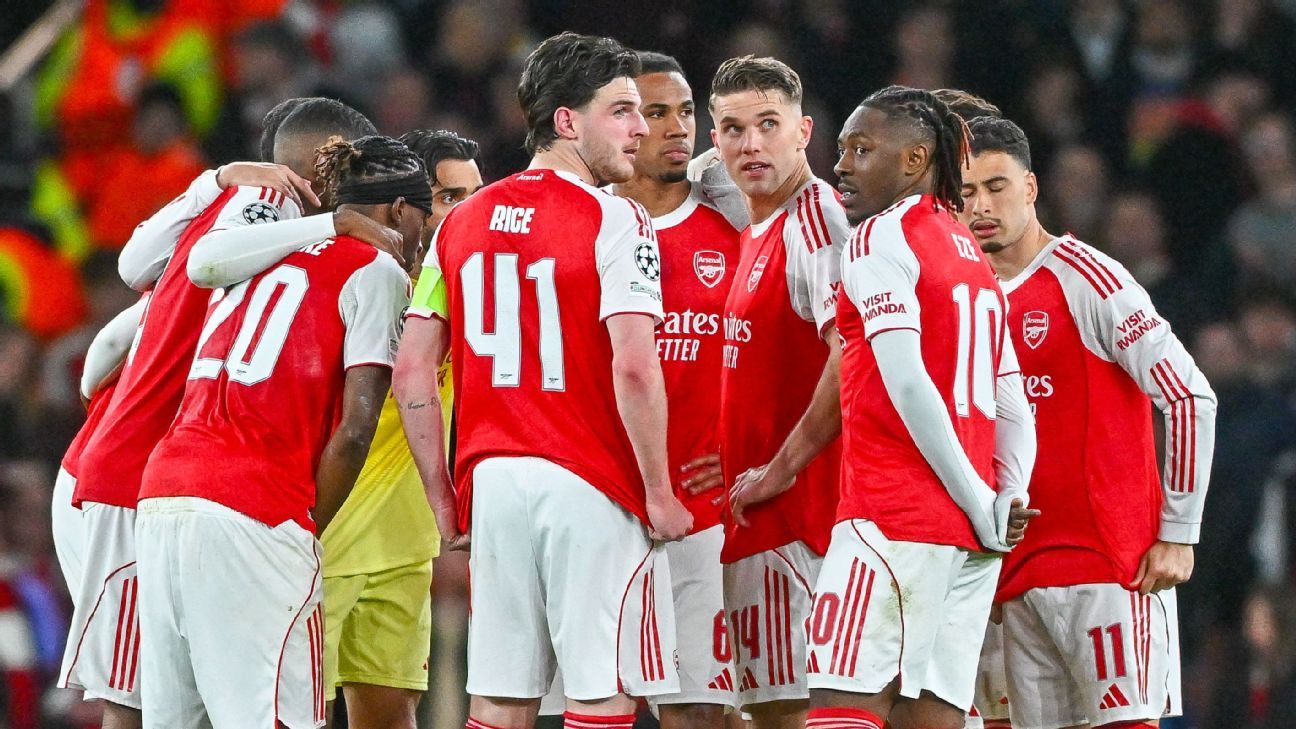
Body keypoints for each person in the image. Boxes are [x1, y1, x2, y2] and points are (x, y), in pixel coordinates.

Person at [394, 30, 692, 729]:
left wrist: (442, 498)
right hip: (591, 482)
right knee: (600, 693)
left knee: (500, 697)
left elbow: (411, 369)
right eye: (621, 110)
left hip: (494, 483)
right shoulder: (618, 218)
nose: (641, 128)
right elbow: (634, 364)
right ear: (567, 121)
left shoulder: (460, 222)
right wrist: (658, 492)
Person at [57, 99, 380, 729]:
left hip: (148, 471)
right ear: (326, 168)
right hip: (127, 477)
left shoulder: (249, 229)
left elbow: (120, 308)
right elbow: (205, 263)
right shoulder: (265, 210)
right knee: (135, 704)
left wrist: (214, 179)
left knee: (176, 700)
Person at [134, 134, 426, 729]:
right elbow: (357, 427)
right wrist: (306, 526)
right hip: (257, 510)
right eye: (422, 217)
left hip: (164, 496)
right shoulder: (376, 269)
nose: (423, 237)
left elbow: (194, 266)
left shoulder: (259, 253)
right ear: (400, 210)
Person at [959, 114, 1217, 729]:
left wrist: (1180, 532)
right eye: (965, 192)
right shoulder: (964, 297)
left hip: (1109, 569)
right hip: (1008, 581)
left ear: (1030, 187)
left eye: (996, 186)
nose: (981, 206)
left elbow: (1189, 396)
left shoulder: (1088, 278)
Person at [804, 85, 1037, 729]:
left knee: (842, 701)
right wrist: (1005, 496)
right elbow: (1013, 404)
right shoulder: (971, 255)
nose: (841, 166)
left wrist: (976, 498)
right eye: (842, 150)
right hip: (970, 540)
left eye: (861, 149)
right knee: (930, 715)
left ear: (913, 160)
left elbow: (906, 381)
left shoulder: (880, 237)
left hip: (892, 517)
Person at [313, 128, 482, 729]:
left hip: (407, 550)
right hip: (326, 544)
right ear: (405, 207)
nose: (467, 214)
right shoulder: (355, 282)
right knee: (292, 713)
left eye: (476, 197)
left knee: (390, 717)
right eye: (449, 197)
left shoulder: (465, 292)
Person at [704, 55, 849, 729]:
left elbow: (851, 353)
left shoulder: (815, 219)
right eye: (734, 130)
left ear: (804, 132)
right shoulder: (758, 225)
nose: (751, 144)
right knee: (765, 713)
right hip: (759, 520)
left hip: (804, 520)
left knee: (796, 713)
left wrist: (778, 469)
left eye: (769, 124)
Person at [607, 51, 744, 727]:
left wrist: (751, 451)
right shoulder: (587, 223)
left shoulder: (734, 227)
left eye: (685, 112)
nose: (676, 127)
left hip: (702, 511)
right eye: (655, 112)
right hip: (603, 502)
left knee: (700, 711)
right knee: (594, 707)